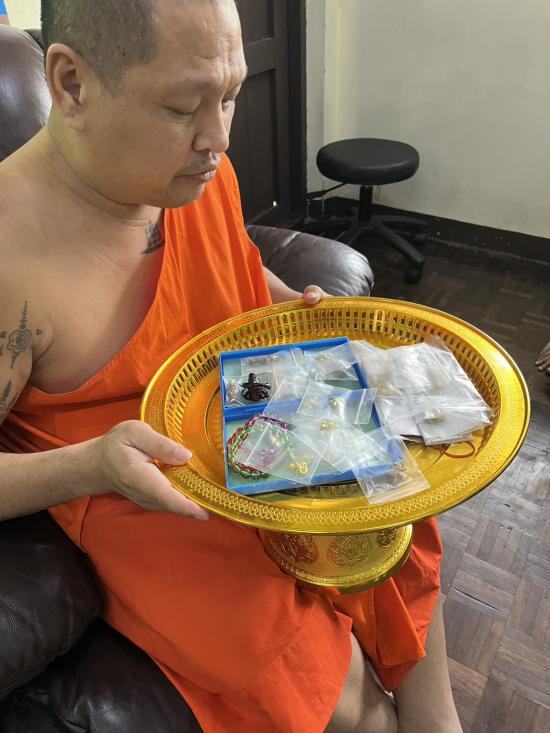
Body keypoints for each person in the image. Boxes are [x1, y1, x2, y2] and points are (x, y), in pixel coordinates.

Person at [0, 1, 461, 731]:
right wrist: (91, 465)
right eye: (183, 106)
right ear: (72, 84)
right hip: (141, 483)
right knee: (322, 678)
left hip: (253, 399)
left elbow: (230, 262)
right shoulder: (9, 258)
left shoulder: (194, 168)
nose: (217, 138)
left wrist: (289, 303)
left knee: (395, 501)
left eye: (230, 95)